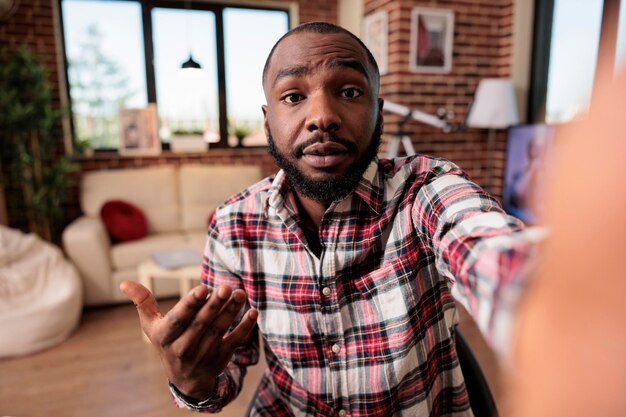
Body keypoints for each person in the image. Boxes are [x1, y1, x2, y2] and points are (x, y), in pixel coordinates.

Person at [121, 22, 534, 416]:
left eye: (350, 91)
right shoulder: (234, 226)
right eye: (293, 97)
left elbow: (486, 246)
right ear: (267, 120)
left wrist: (544, 306)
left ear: (379, 112)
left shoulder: (426, 190)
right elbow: (222, 372)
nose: (322, 116)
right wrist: (191, 382)